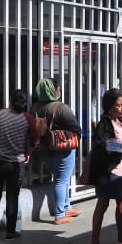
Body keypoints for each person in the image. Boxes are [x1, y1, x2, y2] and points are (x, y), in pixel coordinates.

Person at [0, 88, 39, 240]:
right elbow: (35, 139)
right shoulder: (27, 118)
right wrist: (28, 153)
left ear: (10, 101)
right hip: (16, 163)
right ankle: (10, 231)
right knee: (12, 197)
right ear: (25, 103)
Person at [86, 88, 122, 244]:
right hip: (109, 172)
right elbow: (101, 147)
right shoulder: (104, 124)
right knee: (103, 204)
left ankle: (121, 239)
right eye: (118, 105)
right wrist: (116, 156)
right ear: (109, 106)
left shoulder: (118, 122)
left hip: (121, 171)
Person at [33, 77, 82, 224]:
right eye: (59, 88)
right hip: (62, 149)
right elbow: (76, 128)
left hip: (43, 150)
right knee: (61, 181)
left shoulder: (35, 107)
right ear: (53, 90)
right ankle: (59, 214)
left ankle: (66, 207)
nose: (60, 91)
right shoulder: (61, 107)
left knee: (62, 178)